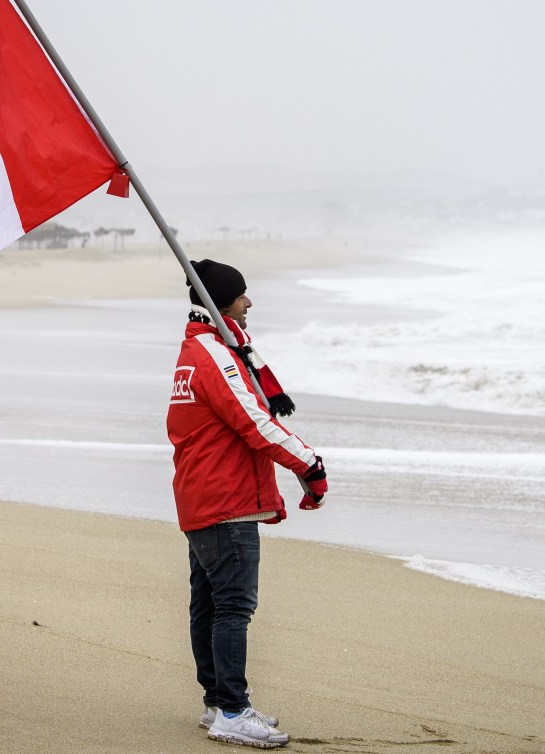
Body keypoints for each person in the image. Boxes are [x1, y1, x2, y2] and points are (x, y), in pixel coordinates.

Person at [166, 259, 328, 749]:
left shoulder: (199, 351)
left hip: (204, 494)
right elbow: (255, 422)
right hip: (224, 498)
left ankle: (218, 701)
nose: (249, 302)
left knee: (210, 605)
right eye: (241, 295)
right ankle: (233, 712)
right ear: (220, 303)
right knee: (232, 607)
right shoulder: (213, 356)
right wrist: (310, 466)